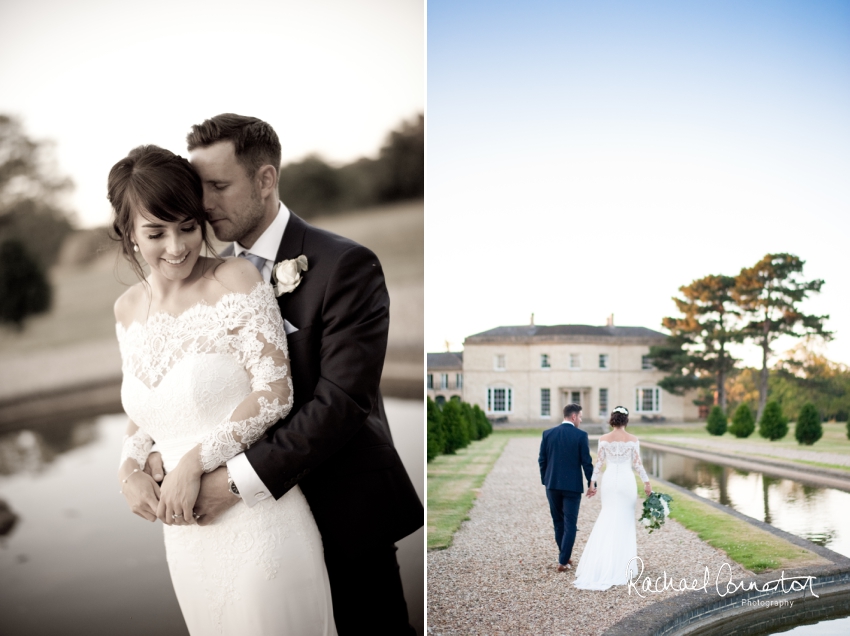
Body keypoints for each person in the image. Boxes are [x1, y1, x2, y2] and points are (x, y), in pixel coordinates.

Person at [141, 114, 423, 634]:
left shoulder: (345, 265)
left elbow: (341, 403)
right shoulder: (209, 279)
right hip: (254, 534)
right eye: (199, 186)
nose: (202, 204)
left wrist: (231, 482)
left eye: (218, 186)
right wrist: (145, 454)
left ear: (266, 179)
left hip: (342, 509)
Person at [112, 145, 336, 634]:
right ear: (128, 234)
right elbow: (146, 405)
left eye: (188, 227)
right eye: (156, 233)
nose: (176, 247)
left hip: (258, 520)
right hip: (186, 538)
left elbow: (275, 392)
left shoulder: (234, 279)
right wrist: (129, 468)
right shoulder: (126, 310)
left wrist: (192, 463)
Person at [573, 406, 652, 591]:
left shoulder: (603, 440)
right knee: (625, 520)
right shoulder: (633, 440)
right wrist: (647, 483)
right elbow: (638, 465)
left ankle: (604, 562)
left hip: (609, 481)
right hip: (626, 482)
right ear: (626, 420)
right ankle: (623, 565)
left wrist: (592, 483)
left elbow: (599, 464)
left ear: (612, 420)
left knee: (608, 515)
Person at [539, 403, 595, 572]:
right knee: (570, 523)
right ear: (573, 417)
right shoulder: (581, 435)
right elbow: (587, 462)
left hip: (552, 485)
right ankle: (563, 561)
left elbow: (542, 460)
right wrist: (591, 483)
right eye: (580, 417)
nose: (581, 420)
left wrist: (546, 480)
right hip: (572, 487)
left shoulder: (548, 434)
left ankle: (564, 557)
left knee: (558, 522)